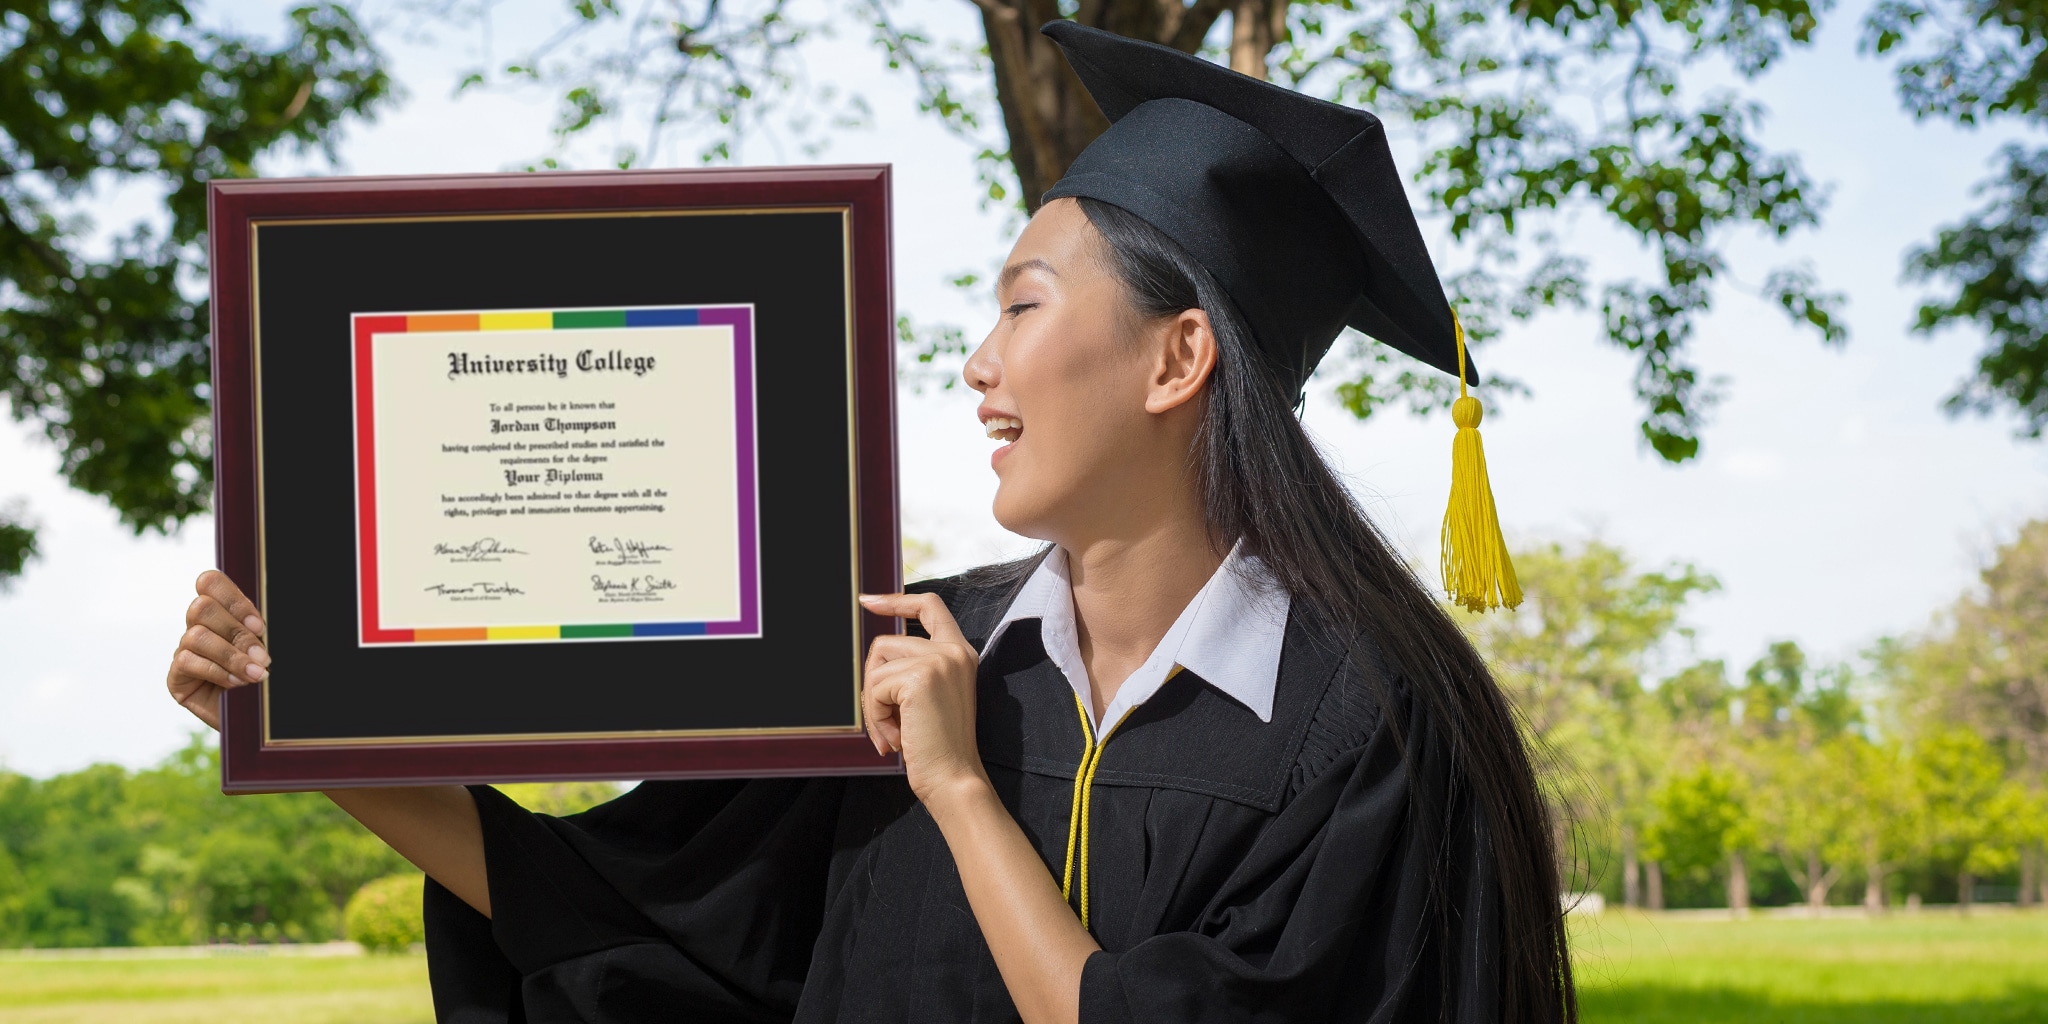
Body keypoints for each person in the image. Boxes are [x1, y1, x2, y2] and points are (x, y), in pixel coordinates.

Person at [166, 22, 1574, 1024]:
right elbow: (613, 918)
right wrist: (287, 721)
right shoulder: (914, 649)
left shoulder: (1367, 726)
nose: (975, 362)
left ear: (1176, 360)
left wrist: (959, 792)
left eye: (1023, 304)